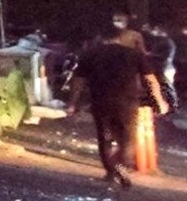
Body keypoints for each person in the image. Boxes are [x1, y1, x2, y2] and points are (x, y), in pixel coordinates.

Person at [67, 24, 169, 187]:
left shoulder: (91, 54)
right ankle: (121, 165)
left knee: (105, 137)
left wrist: (72, 103)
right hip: (127, 103)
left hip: (100, 101)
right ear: (123, 37)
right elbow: (150, 79)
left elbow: (78, 80)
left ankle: (110, 171)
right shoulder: (134, 55)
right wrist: (159, 101)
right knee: (128, 138)